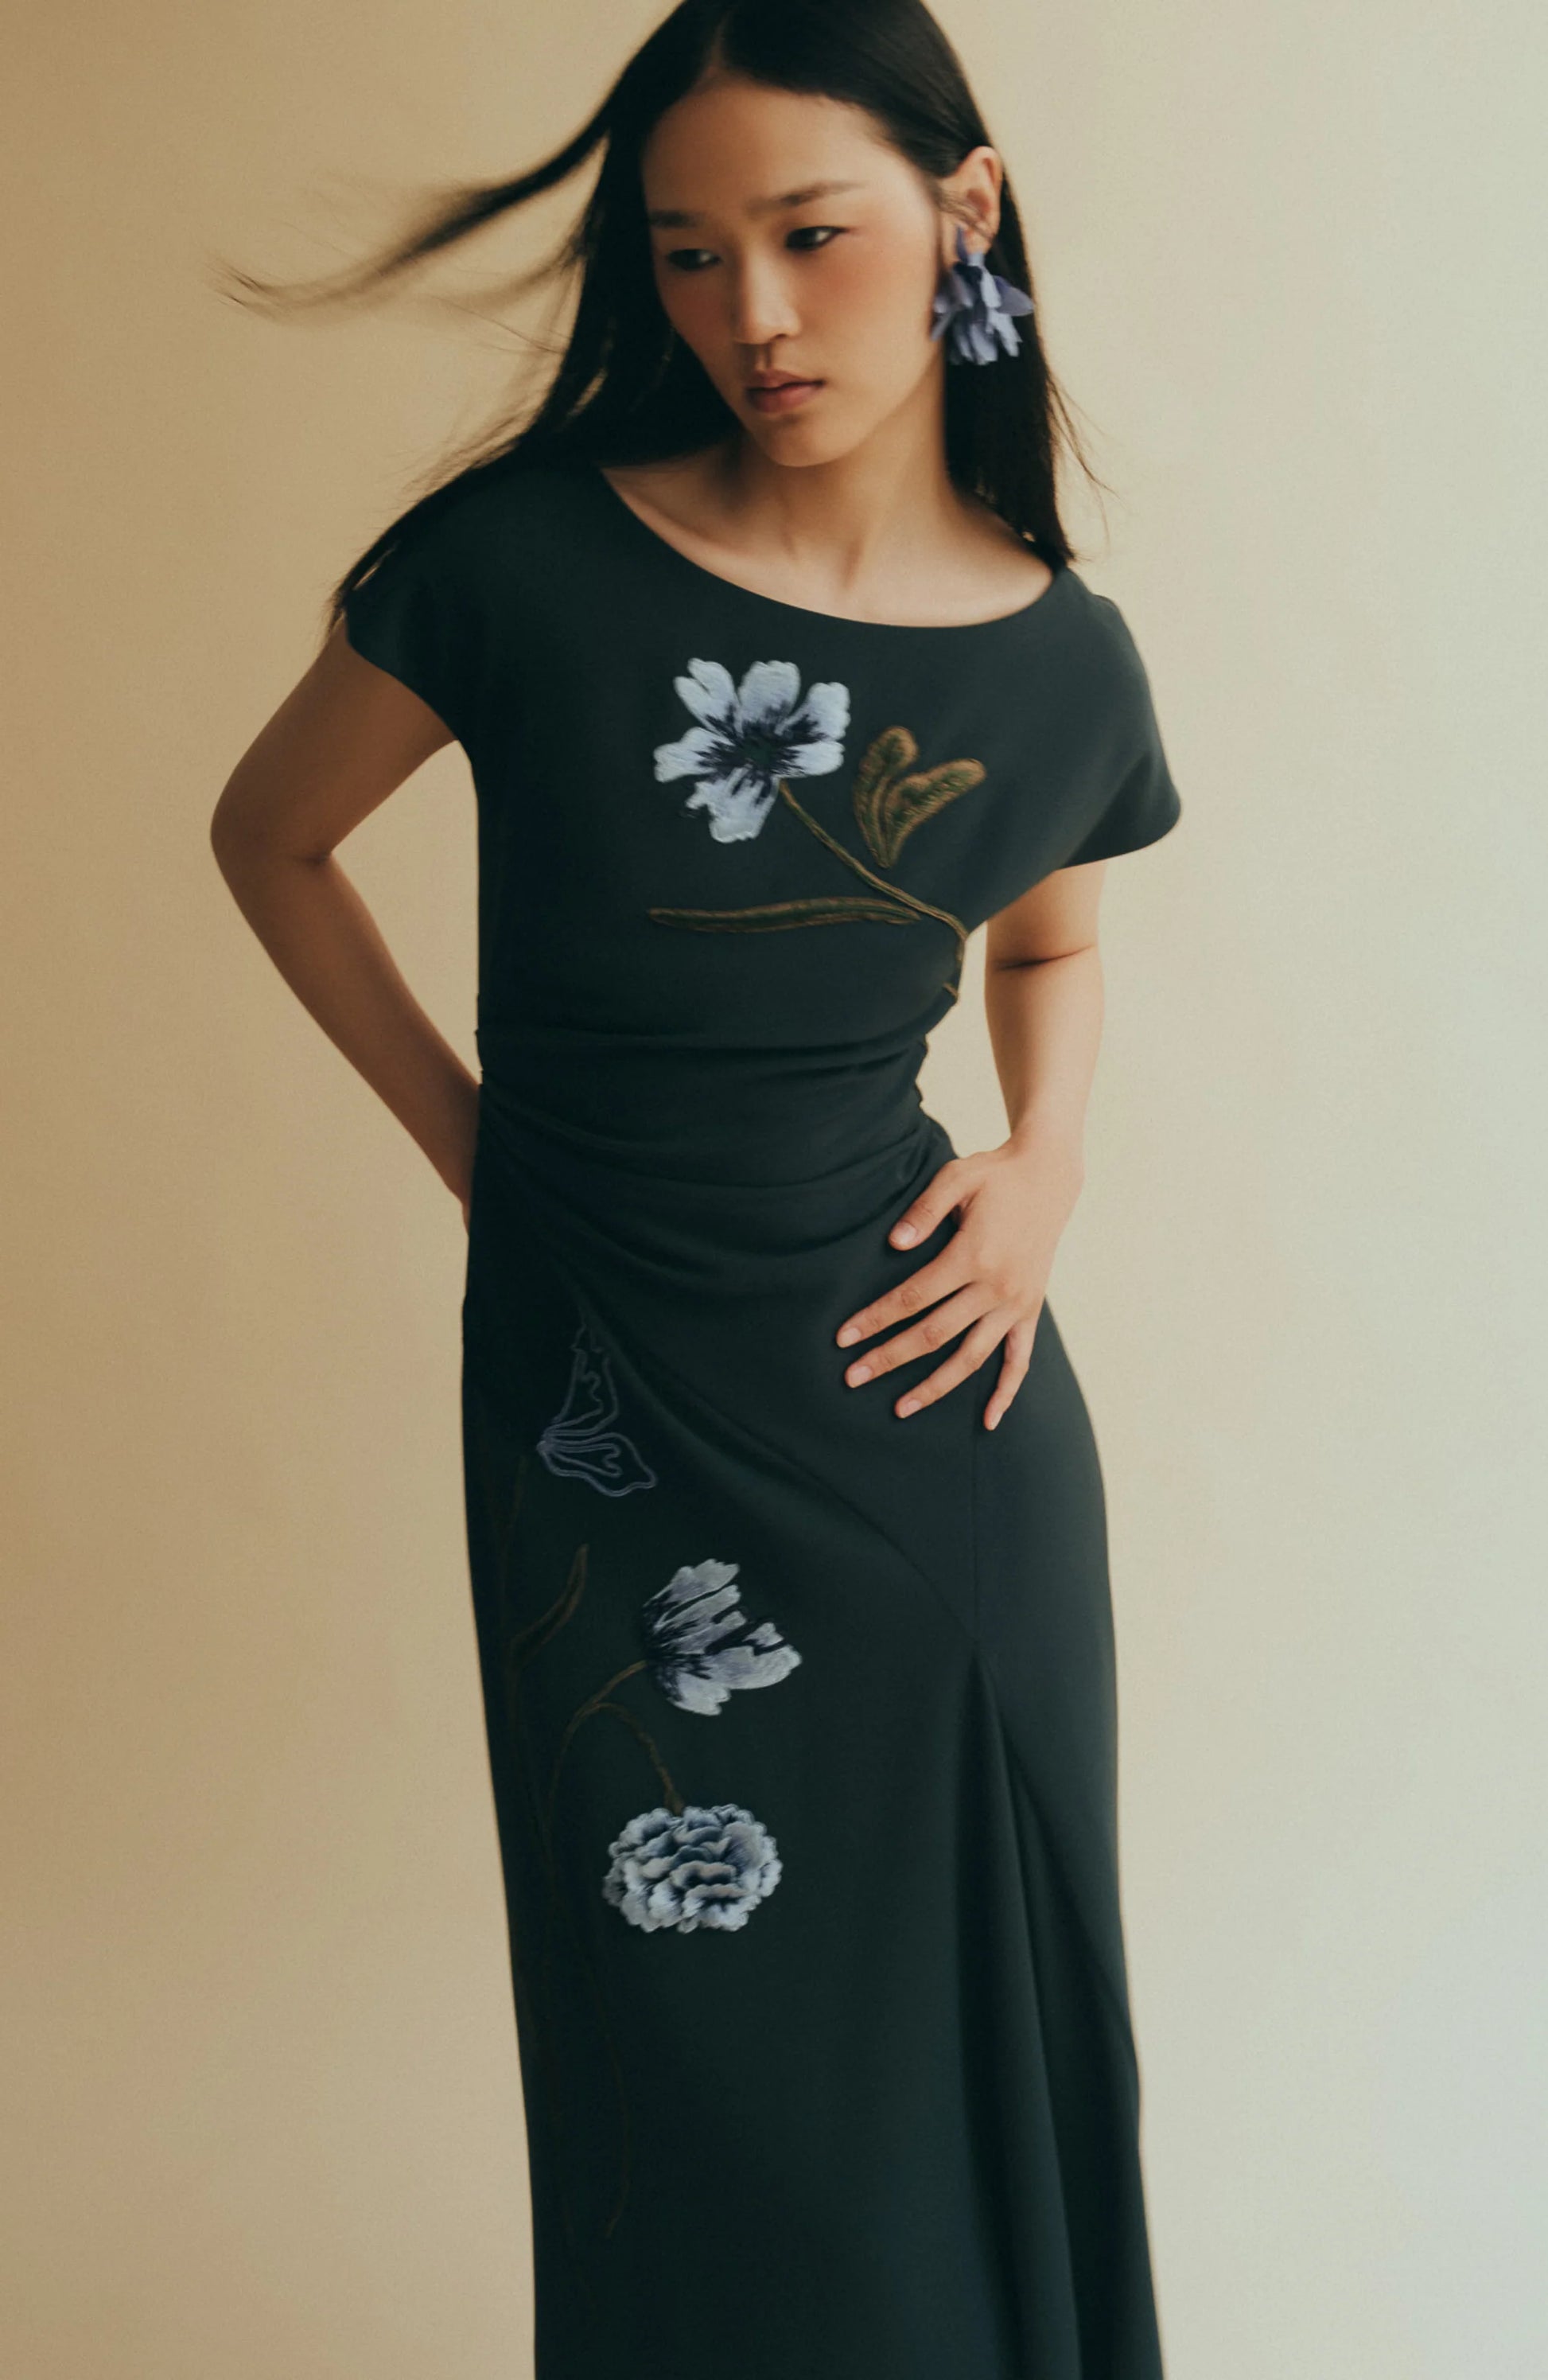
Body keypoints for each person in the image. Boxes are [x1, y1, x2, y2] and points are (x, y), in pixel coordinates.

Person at [210, 2, 1183, 2372]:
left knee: (964, 2017)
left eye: (808, 237)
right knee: (694, 2039)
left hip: (935, 1427)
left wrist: (1046, 1164)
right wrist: (476, 1149)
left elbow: (1045, 925)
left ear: (957, 215)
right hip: (608, 1410)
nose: (748, 313)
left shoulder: (1060, 659)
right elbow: (271, 839)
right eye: (682, 256)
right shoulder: (516, 566)